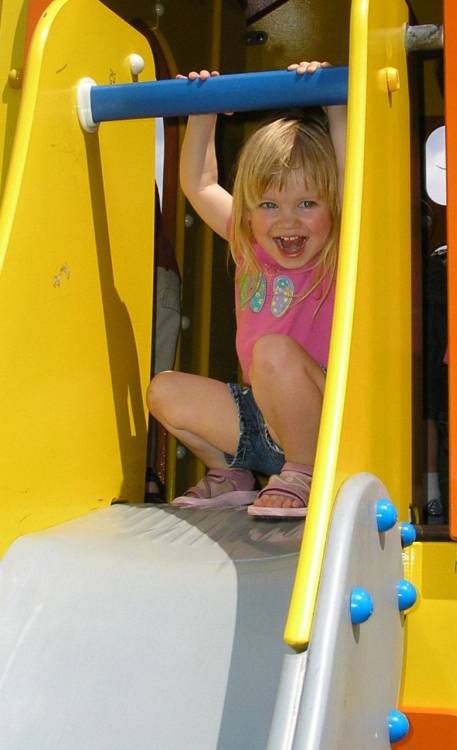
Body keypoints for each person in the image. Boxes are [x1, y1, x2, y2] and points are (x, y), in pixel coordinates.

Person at [147, 61, 346, 517]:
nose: (288, 221)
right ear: (252, 214)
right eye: (270, 205)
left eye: (307, 203)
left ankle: (306, 469)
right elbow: (199, 184)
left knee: (273, 352)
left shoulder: (338, 247)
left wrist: (336, 104)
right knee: (164, 390)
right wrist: (204, 113)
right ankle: (233, 471)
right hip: (260, 419)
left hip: (321, 416)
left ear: (332, 206)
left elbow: (350, 179)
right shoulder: (249, 244)